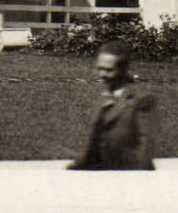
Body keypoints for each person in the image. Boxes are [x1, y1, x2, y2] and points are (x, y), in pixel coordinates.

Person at [66, 39, 155, 170]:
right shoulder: (102, 96)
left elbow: (146, 145)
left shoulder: (141, 99)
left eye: (109, 70)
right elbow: (93, 141)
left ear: (123, 70)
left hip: (127, 171)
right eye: (99, 69)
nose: (102, 75)